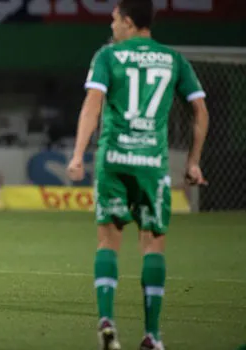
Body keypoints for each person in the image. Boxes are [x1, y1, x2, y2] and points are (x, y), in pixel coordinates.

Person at [66, 1, 209, 349]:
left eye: (115, 19)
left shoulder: (108, 56)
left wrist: (78, 154)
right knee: (153, 245)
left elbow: (92, 106)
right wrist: (192, 161)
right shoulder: (173, 59)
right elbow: (200, 111)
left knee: (108, 241)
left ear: (128, 22)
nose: (112, 26)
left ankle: (106, 320)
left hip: (114, 158)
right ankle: (153, 335)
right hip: (152, 165)